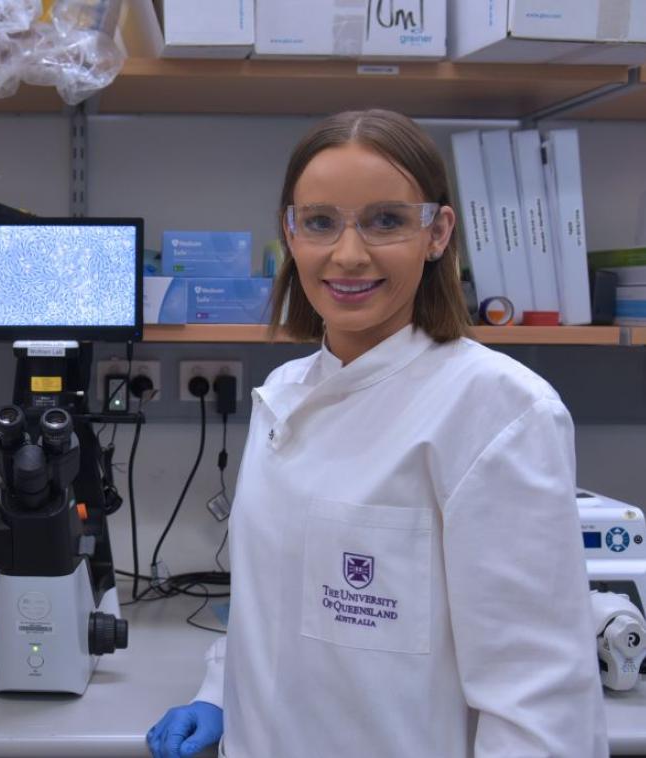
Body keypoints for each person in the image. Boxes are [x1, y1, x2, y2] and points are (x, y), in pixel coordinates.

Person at [147, 109, 606, 757]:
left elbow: (538, 704)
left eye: (386, 220)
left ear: (438, 232)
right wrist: (221, 689)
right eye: (320, 222)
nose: (348, 253)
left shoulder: (496, 410)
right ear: (290, 232)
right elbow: (274, 597)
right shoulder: (283, 394)